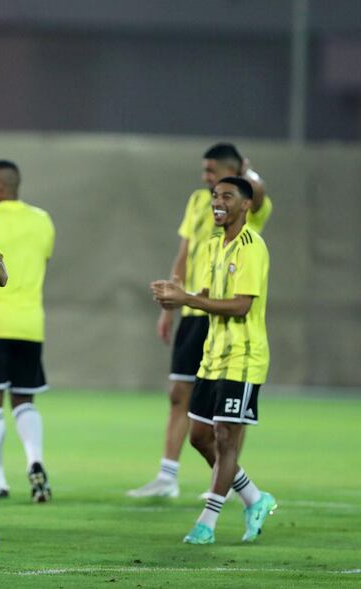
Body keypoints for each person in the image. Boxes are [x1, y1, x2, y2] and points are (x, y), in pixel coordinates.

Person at [128, 143, 272, 499]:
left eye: (213, 172)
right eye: (206, 174)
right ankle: (167, 477)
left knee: (229, 411)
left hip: (225, 313)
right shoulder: (199, 201)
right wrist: (170, 306)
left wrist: (247, 172)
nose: (206, 180)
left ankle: (224, 481)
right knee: (180, 393)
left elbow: (260, 192)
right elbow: (183, 255)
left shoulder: (245, 202)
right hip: (193, 310)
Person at [151, 176, 276, 544]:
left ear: (245, 205)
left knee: (224, 437)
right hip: (213, 357)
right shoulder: (211, 245)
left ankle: (207, 522)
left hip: (244, 358)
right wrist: (180, 296)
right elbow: (206, 294)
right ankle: (254, 497)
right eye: (214, 196)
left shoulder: (252, 247)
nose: (217, 202)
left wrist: (188, 301)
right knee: (200, 437)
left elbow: (241, 305)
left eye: (226, 196)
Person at [0, 160, 55, 502]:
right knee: (25, 399)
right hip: (30, 324)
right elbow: (43, 261)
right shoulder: (42, 220)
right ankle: (35, 460)